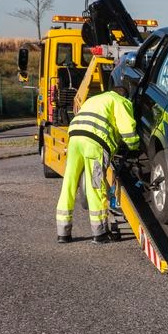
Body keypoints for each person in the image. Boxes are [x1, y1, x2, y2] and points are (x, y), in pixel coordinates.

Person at [55, 87, 140, 244]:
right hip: (94, 144)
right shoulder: (121, 101)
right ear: (125, 95)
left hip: (74, 139)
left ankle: (63, 233)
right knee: (95, 186)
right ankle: (99, 233)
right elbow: (127, 130)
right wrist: (135, 146)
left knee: (69, 183)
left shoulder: (94, 99)